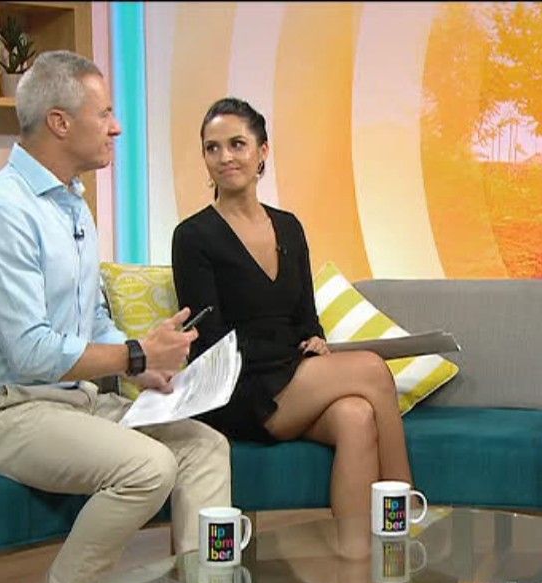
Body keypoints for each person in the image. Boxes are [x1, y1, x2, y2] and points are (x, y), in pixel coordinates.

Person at [0, 51, 231, 583]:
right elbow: (30, 352)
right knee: (147, 466)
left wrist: (143, 372)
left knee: (204, 445)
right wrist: (135, 355)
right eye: (104, 114)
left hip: (69, 399)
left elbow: (91, 319)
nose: (116, 127)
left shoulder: (72, 203)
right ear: (59, 121)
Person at [171, 97, 414, 527]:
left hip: (290, 376)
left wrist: (315, 339)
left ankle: (356, 560)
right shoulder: (193, 236)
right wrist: (294, 358)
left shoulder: (289, 227)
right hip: (238, 388)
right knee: (372, 370)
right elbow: (210, 344)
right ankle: (407, 514)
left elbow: (305, 315)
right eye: (212, 148)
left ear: (262, 151)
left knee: (356, 417)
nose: (225, 157)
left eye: (237, 144)